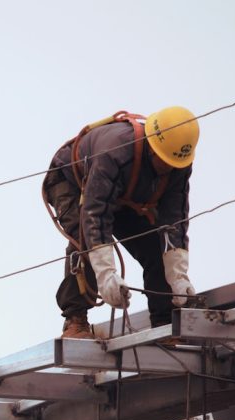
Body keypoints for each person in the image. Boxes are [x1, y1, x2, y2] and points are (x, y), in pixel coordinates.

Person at [41, 107, 200, 339]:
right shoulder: (116, 151)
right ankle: (75, 321)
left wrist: (178, 277)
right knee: (84, 240)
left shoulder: (178, 163)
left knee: (155, 250)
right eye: (162, 161)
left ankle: (165, 324)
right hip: (71, 182)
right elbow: (95, 216)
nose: (166, 168)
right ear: (151, 146)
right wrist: (107, 276)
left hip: (121, 195)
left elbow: (173, 221)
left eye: (172, 164)